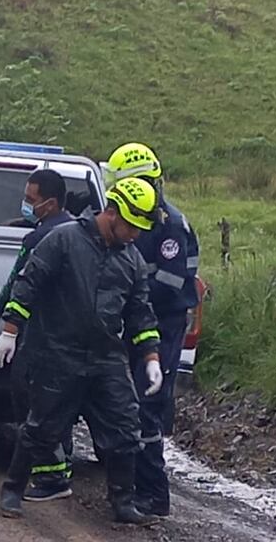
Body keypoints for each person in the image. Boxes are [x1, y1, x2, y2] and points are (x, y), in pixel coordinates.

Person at [0, 177, 164, 523]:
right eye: (132, 227)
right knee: (40, 427)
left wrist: (151, 357)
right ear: (112, 212)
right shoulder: (65, 239)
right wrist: (10, 331)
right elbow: (29, 282)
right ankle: (13, 489)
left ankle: (123, 503)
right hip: (59, 353)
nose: (136, 235)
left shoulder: (131, 260)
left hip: (106, 359)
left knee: (124, 429)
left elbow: (140, 313)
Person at [105, 143, 200, 518]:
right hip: (138, 322)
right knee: (127, 404)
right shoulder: (135, 221)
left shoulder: (170, 226)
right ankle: (129, 484)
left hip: (162, 324)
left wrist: (128, 297)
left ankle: (153, 493)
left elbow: (168, 282)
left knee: (147, 406)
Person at [0, 169, 73, 427]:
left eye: (30, 200)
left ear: (50, 204)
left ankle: (30, 459)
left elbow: (16, 283)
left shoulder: (38, 239)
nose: (26, 205)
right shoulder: (80, 233)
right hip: (75, 344)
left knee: (28, 404)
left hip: (38, 339)